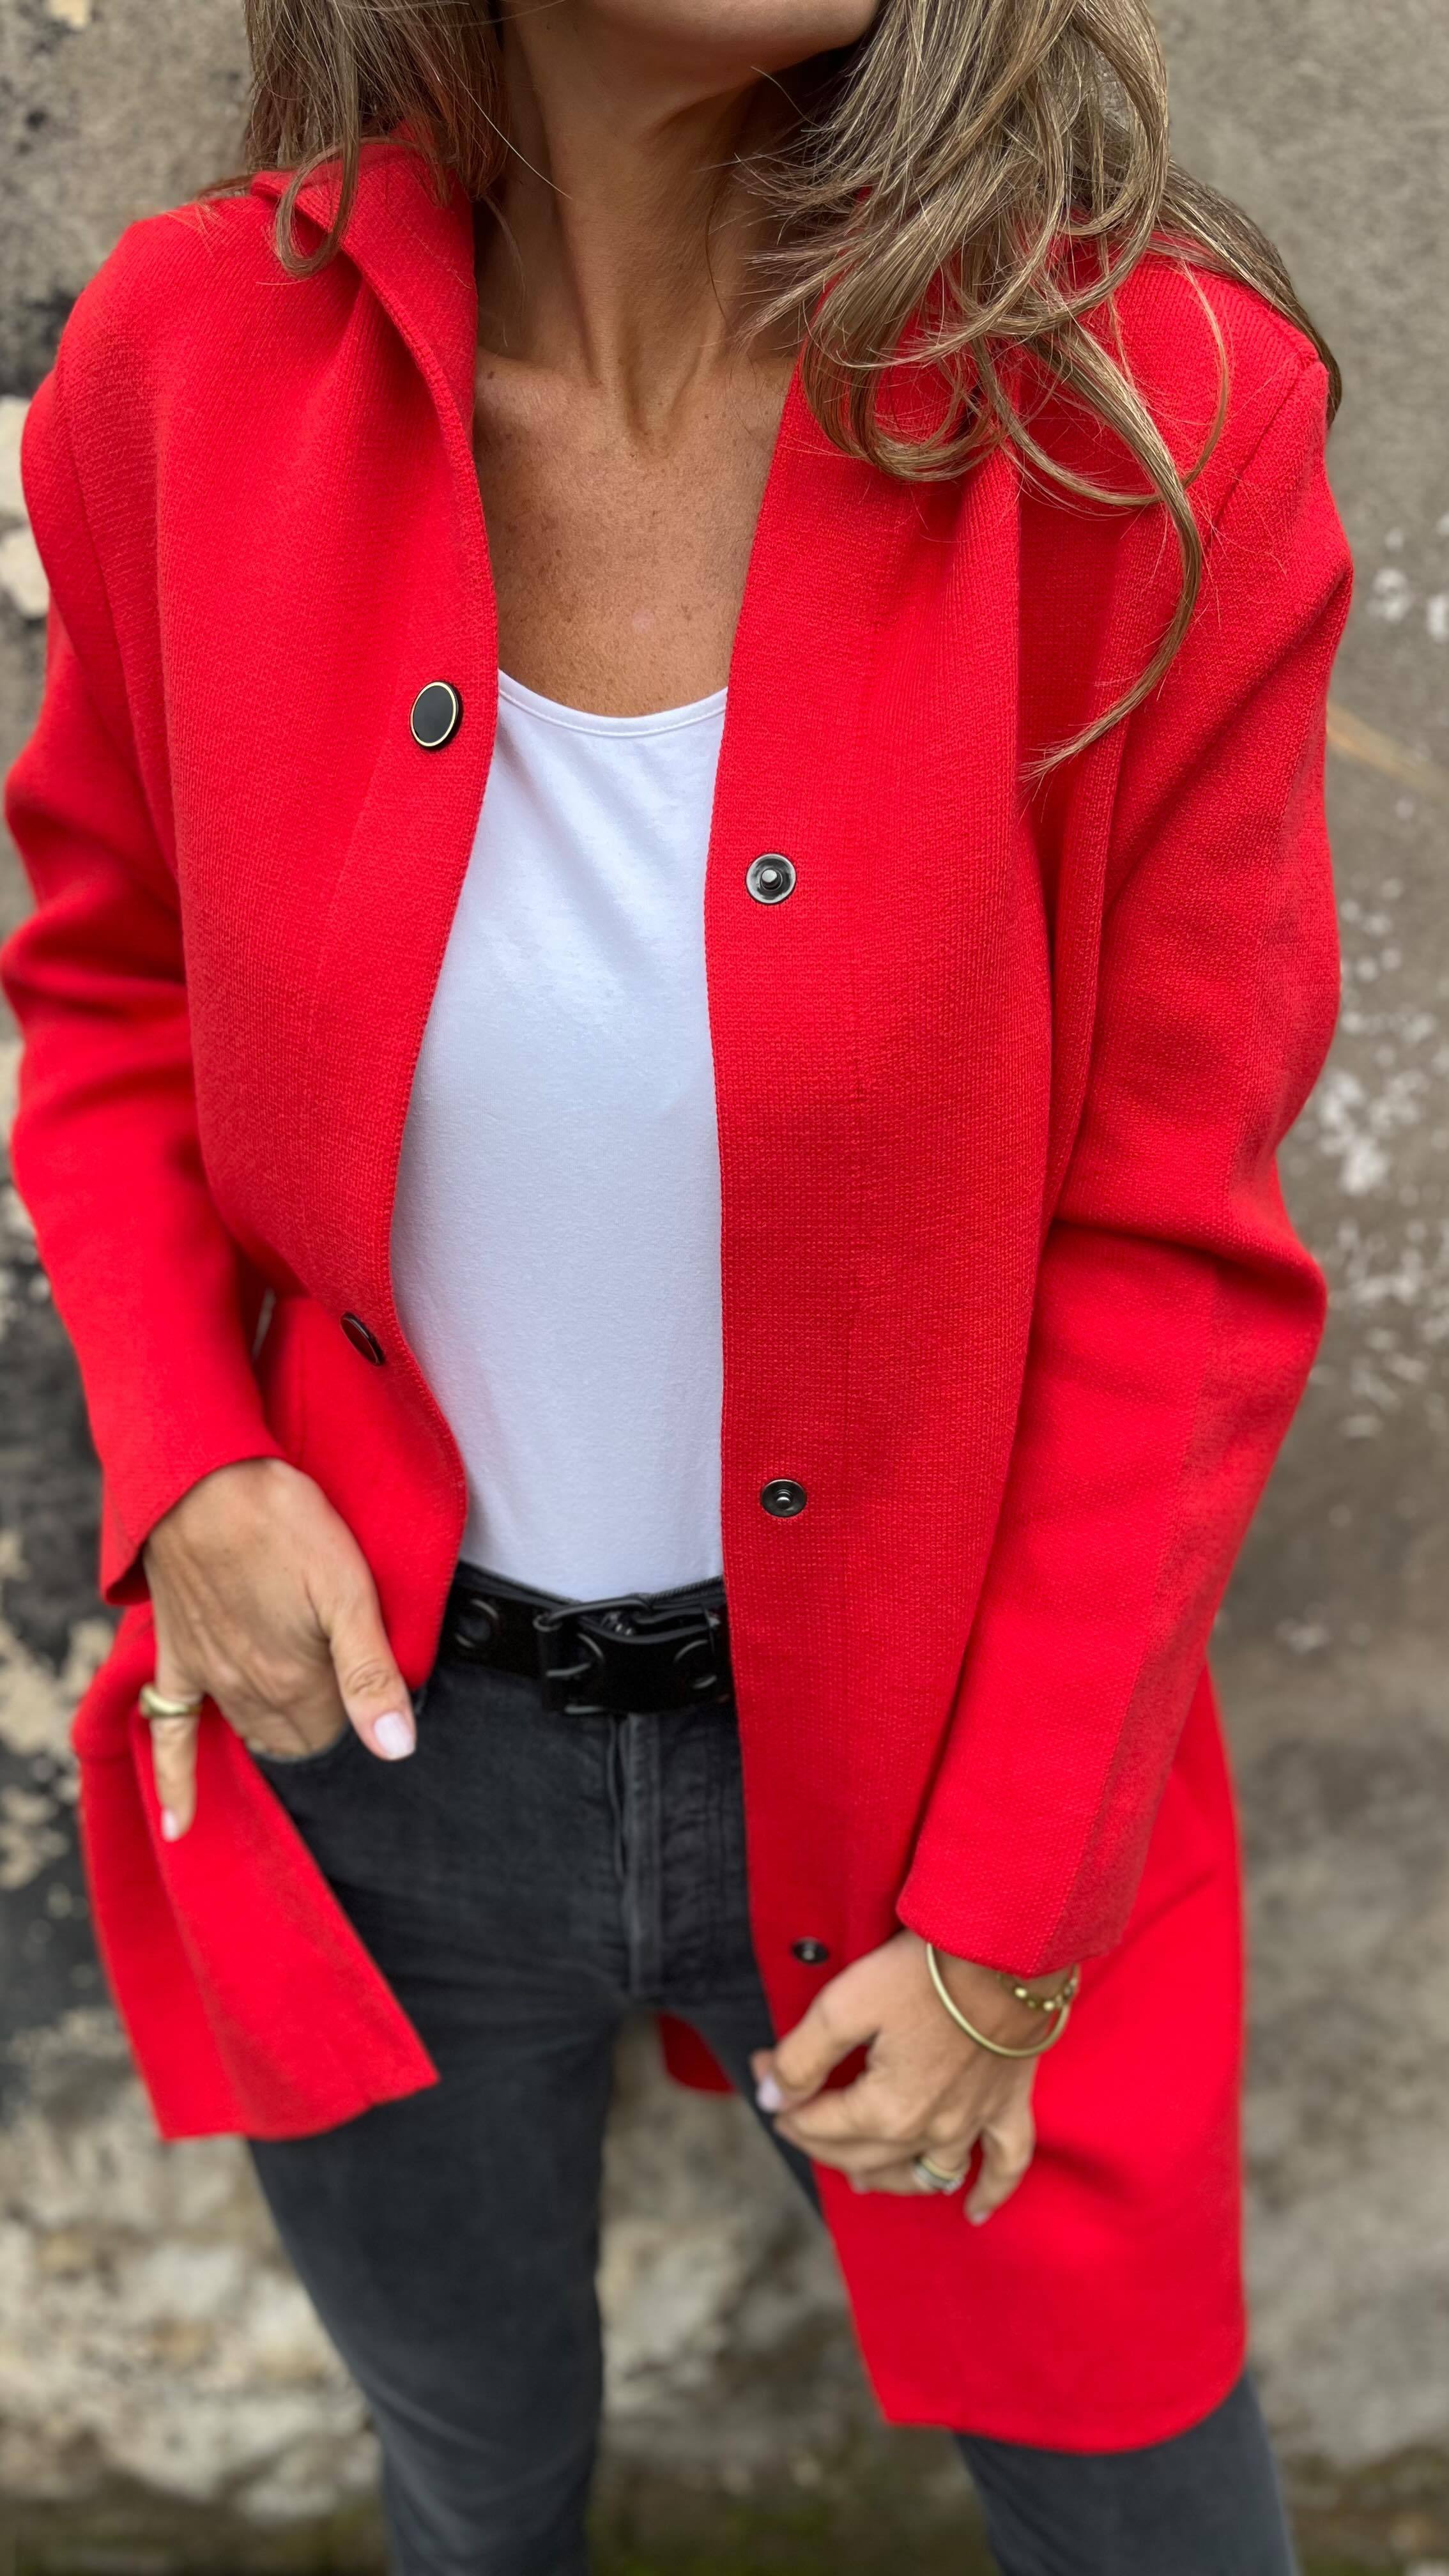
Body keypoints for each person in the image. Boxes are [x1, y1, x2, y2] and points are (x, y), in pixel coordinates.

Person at [1, 1, 1353, 2569]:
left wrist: (1006, 1924)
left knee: (1149, 2512)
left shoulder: (1149, 416)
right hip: (380, 1746)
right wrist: (188, 1452)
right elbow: (108, 985)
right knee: (470, 2474)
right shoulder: (189, 364)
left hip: (950, 1777)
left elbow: (1176, 1248)